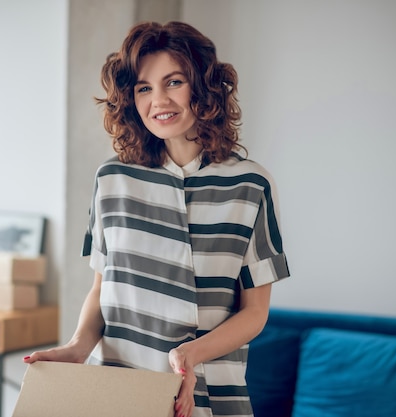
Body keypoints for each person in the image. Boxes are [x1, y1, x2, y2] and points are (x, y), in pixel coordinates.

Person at [24, 21, 290, 417]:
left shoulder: (251, 185)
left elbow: (255, 311)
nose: (158, 100)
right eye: (144, 88)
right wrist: (78, 346)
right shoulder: (111, 179)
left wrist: (190, 356)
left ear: (203, 87)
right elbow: (103, 289)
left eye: (174, 82)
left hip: (207, 394)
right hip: (118, 389)